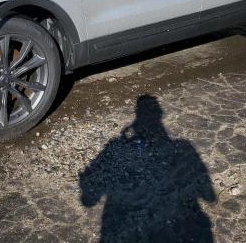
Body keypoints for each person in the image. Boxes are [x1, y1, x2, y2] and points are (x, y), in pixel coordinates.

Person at [79, 95, 216, 242]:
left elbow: (88, 200)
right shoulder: (183, 146)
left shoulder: (115, 145)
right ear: (160, 115)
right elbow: (209, 197)